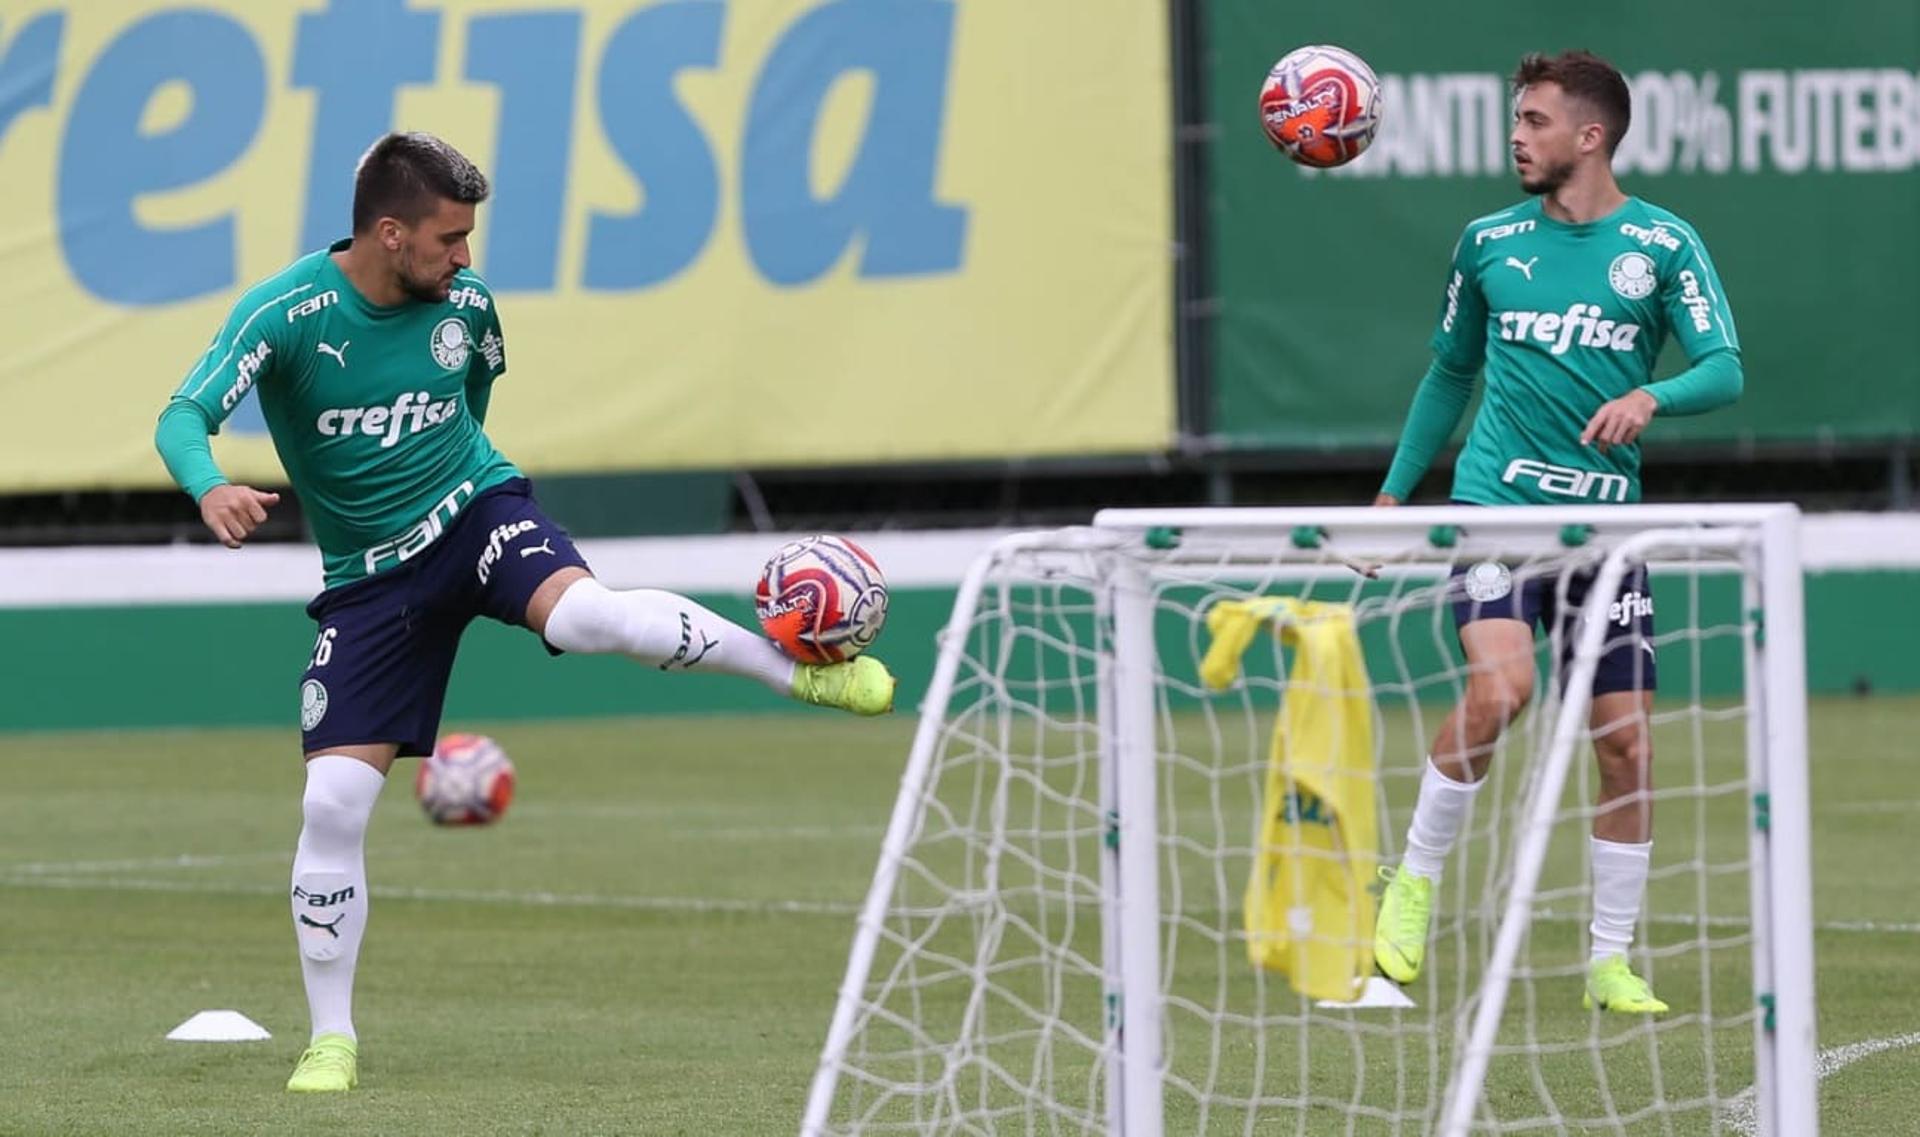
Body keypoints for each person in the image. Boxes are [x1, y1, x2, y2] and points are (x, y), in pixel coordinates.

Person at [154, 132, 898, 1092]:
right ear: (389, 234)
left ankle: (796, 668)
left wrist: (468, 488)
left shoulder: (466, 306)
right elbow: (183, 414)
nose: (466, 257)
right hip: (373, 582)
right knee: (331, 802)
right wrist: (209, 485)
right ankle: (331, 1036)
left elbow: (471, 399)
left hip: (477, 513)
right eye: (449, 237)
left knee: (589, 618)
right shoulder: (286, 312)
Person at [1369, 51, 1742, 1014]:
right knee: (1502, 688)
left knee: (1625, 744)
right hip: (1494, 509)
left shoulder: (1663, 245)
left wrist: (1651, 394)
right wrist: (1394, 496)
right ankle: (1409, 885)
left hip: (1604, 534)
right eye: (1516, 119)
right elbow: (1450, 373)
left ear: (1592, 136)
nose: (1516, 136)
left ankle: (1609, 958)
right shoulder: (1488, 241)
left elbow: (1723, 368)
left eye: (1534, 121)